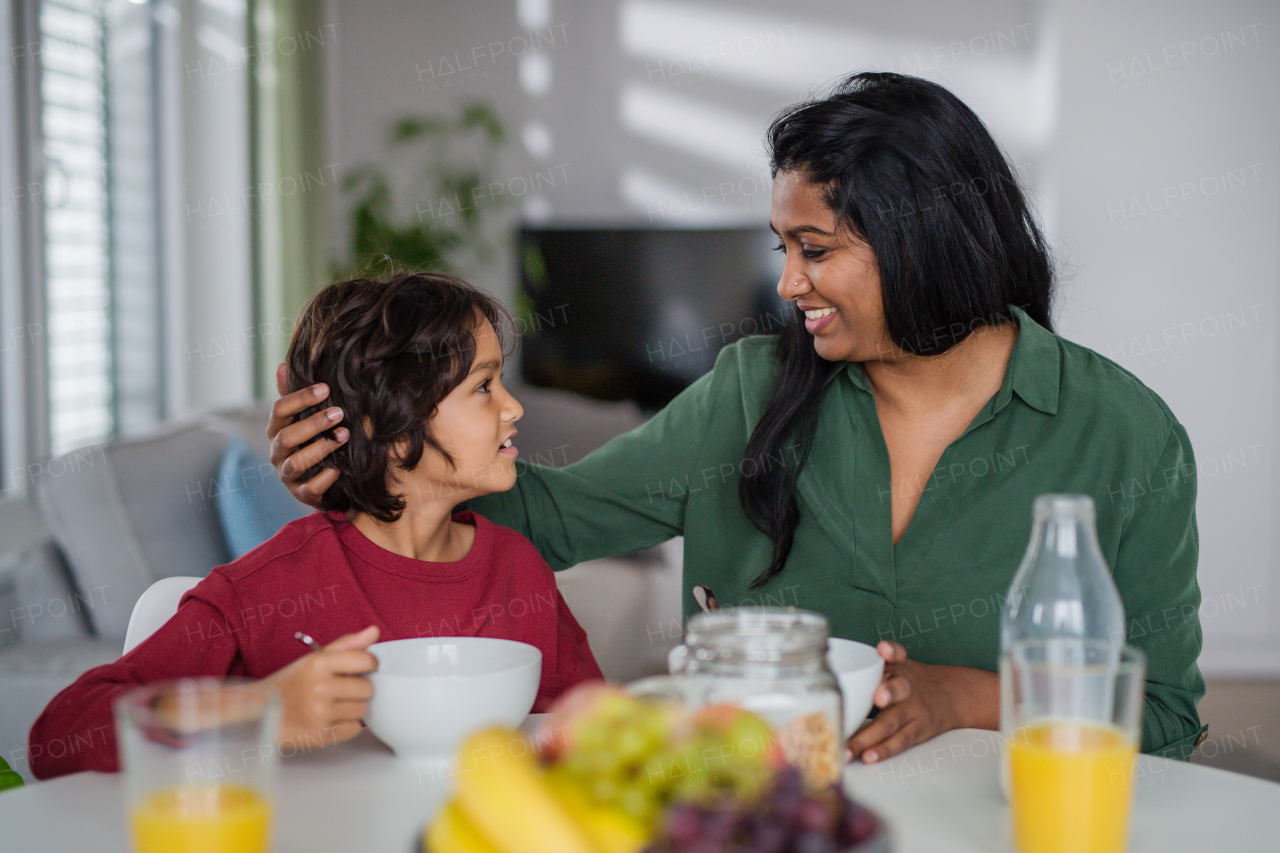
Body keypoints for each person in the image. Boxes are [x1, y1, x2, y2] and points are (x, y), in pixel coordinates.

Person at [269, 72, 1206, 765]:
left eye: (815, 249)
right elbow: (548, 520)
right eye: (781, 249)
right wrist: (375, 469)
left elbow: (1164, 717)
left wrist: (962, 696)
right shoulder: (750, 392)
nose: (789, 283)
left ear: (926, 240)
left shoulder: (1125, 435)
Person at [29, 272, 602, 779]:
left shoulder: (520, 570)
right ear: (389, 426)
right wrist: (260, 705)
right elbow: (58, 736)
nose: (513, 407)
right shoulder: (272, 587)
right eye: (483, 386)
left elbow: (597, 733)